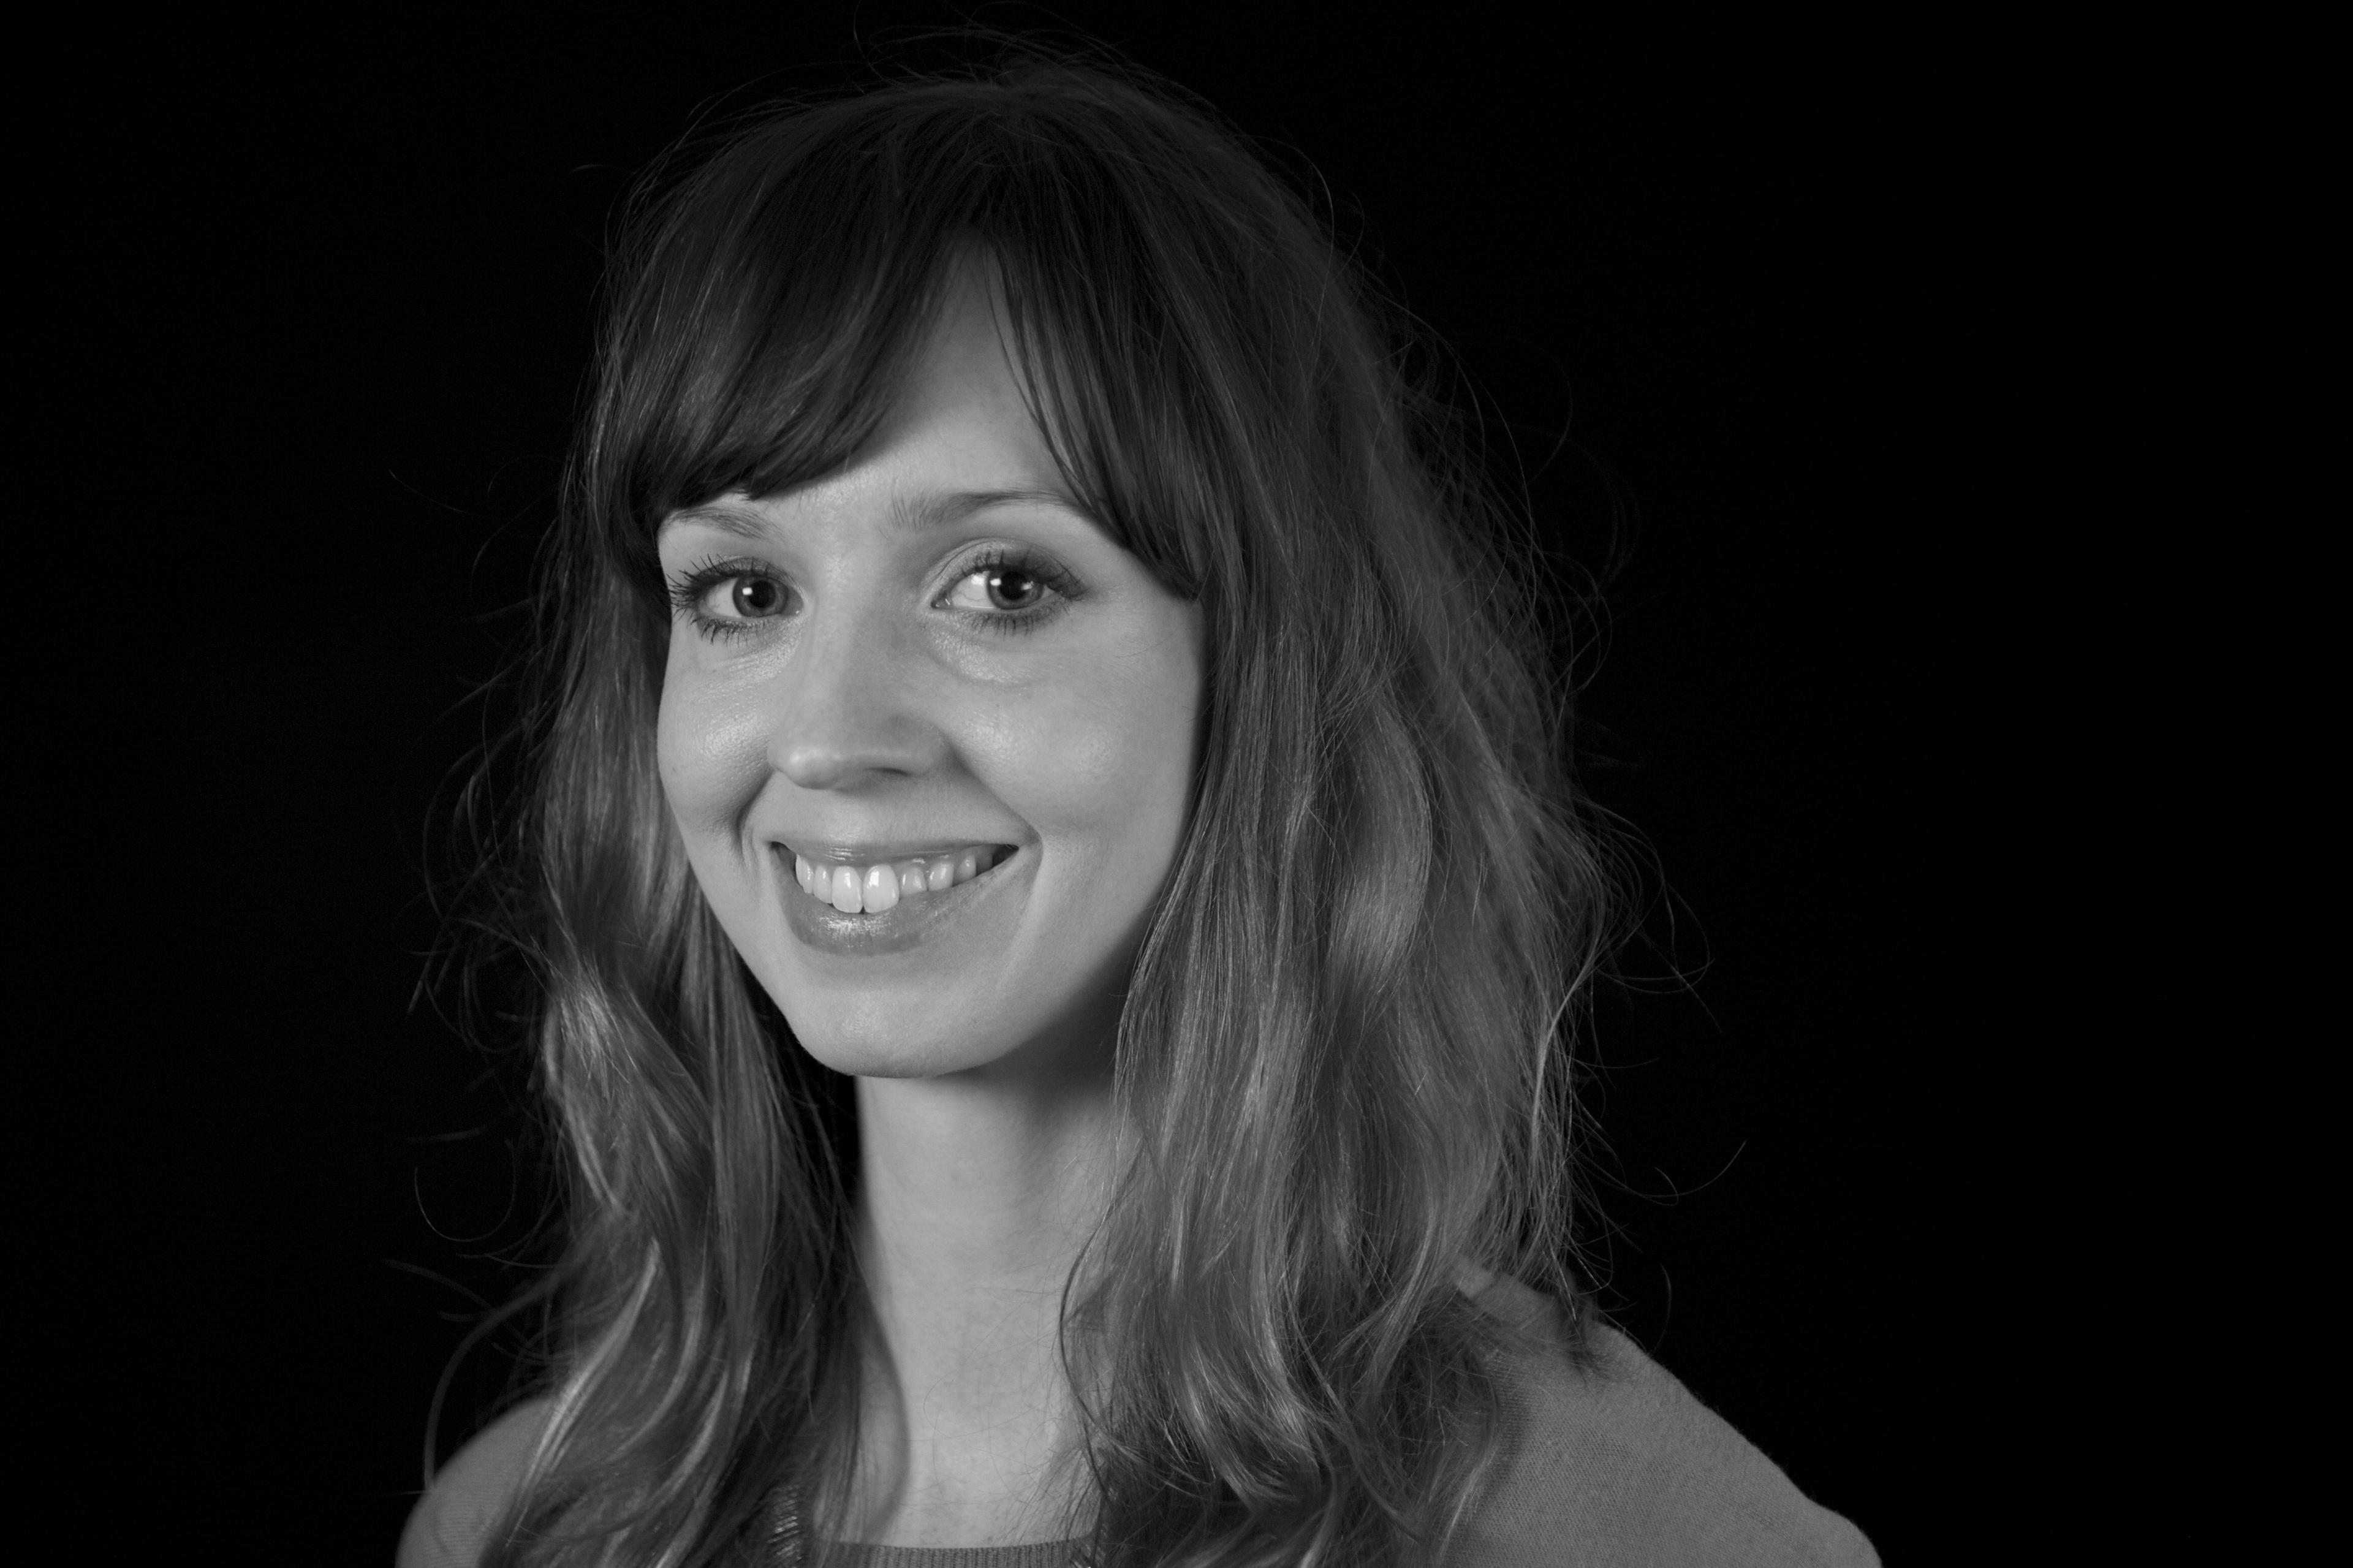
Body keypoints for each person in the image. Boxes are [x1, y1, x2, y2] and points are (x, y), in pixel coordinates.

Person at [398, 53, 1879, 1568]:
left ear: (1258, 671)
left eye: (1000, 584)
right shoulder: (521, 1525)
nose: (831, 735)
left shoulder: (1635, 1530)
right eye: (746, 590)